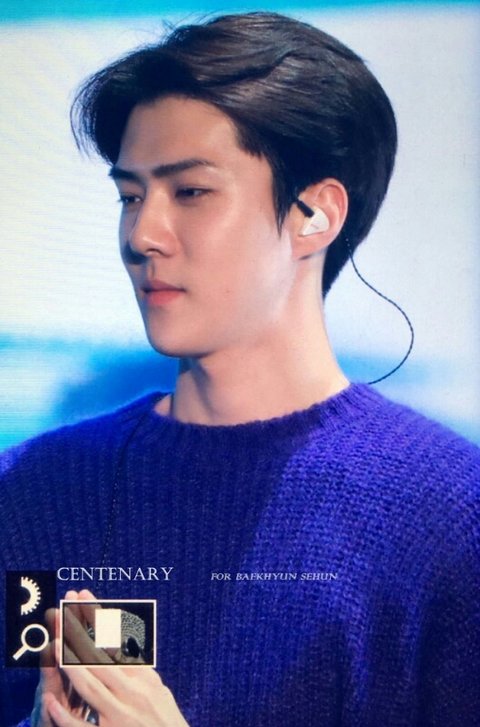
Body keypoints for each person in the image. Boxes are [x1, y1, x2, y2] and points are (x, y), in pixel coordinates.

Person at [1, 10, 479, 727]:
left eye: (190, 192)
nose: (142, 234)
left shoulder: (449, 516)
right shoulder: (37, 491)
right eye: (130, 196)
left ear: (315, 214)